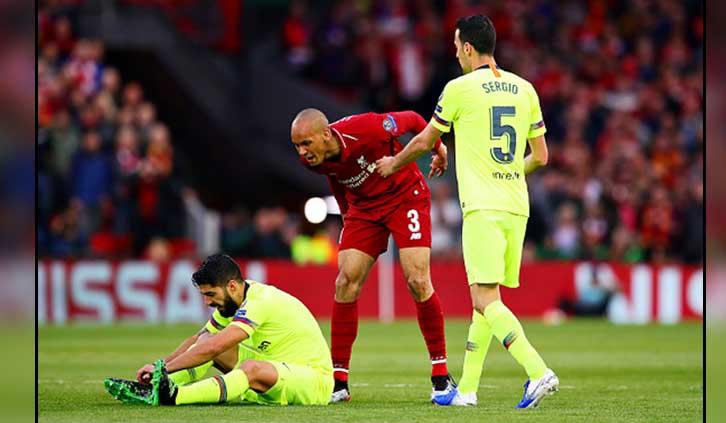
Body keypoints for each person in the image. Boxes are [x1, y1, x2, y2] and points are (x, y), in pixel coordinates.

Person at [375, 15, 559, 409]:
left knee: (484, 299)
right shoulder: (525, 89)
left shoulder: (458, 89)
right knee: (485, 297)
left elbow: (426, 139)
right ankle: (468, 390)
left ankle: (537, 371)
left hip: (483, 207)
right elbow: (541, 157)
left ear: (469, 48)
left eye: (457, 45)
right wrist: (508, 170)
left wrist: (394, 164)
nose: (455, 52)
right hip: (516, 206)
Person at [290, 108, 454, 404]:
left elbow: (415, 120)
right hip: (364, 211)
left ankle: (441, 376)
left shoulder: (367, 128)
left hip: (405, 197)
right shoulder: (311, 161)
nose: (302, 152)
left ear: (325, 134)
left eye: (306, 143)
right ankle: (339, 382)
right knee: (345, 282)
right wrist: (346, 217)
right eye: (297, 146)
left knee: (417, 279)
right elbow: (334, 176)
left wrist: (439, 148)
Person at [103, 254, 333, 406]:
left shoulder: (261, 301)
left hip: (313, 380)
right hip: (275, 369)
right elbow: (201, 340)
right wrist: (159, 368)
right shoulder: (235, 299)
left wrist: (167, 368)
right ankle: (157, 389)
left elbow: (216, 346)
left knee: (243, 363)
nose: (206, 303)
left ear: (232, 286)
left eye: (210, 294)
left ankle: (175, 396)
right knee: (206, 339)